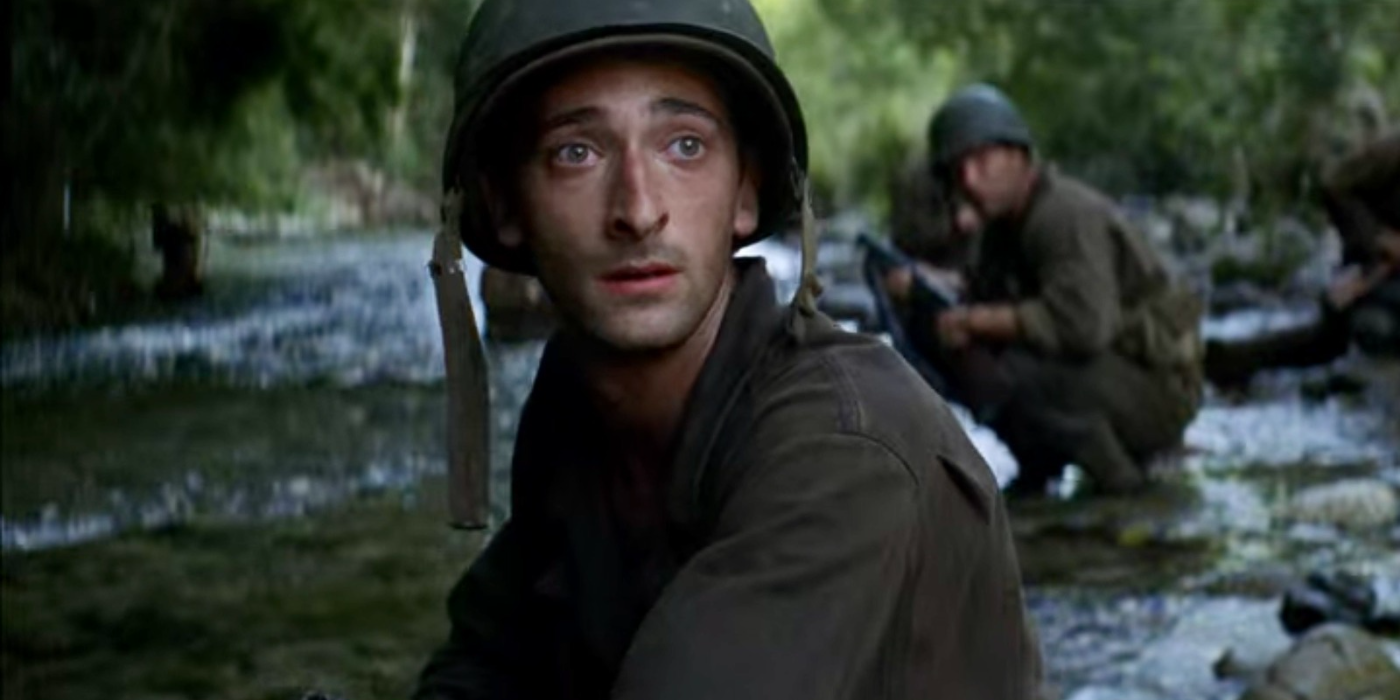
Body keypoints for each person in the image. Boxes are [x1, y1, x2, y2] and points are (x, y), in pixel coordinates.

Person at [414, 2, 1042, 698]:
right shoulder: (579, 406)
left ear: (745, 191)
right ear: (504, 204)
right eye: (576, 152)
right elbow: (489, 658)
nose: (638, 208)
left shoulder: (844, 450)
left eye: (684, 145)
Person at [886, 84, 1203, 496]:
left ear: (1019, 155)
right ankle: (1039, 468)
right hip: (1114, 375)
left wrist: (978, 322)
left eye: (982, 161)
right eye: (957, 171)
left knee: (1015, 372)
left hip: (1158, 387)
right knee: (957, 347)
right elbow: (988, 294)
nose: (969, 179)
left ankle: (1122, 485)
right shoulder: (1002, 226)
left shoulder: (1063, 215)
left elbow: (1083, 324)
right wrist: (925, 289)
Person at [1204, 128, 1400, 384]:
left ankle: (1234, 361)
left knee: (1327, 342)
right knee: (1339, 337)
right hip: (1371, 274)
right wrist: (1378, 238)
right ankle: (1231, 360)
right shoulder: (1392, 151)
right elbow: (1335, 183)